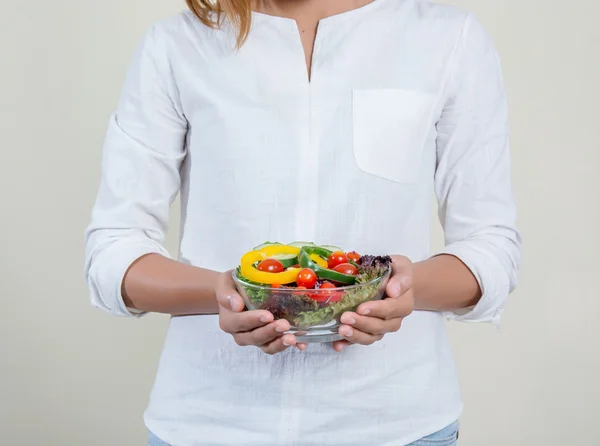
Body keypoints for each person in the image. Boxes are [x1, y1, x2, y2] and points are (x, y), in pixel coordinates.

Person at [84, 0, 522, 444]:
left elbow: (490, 247)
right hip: (210, 422)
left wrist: (394, 290)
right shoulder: (177, 45)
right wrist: (228, 293)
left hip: (395, 424)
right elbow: (115, 250)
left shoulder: (448, 39)